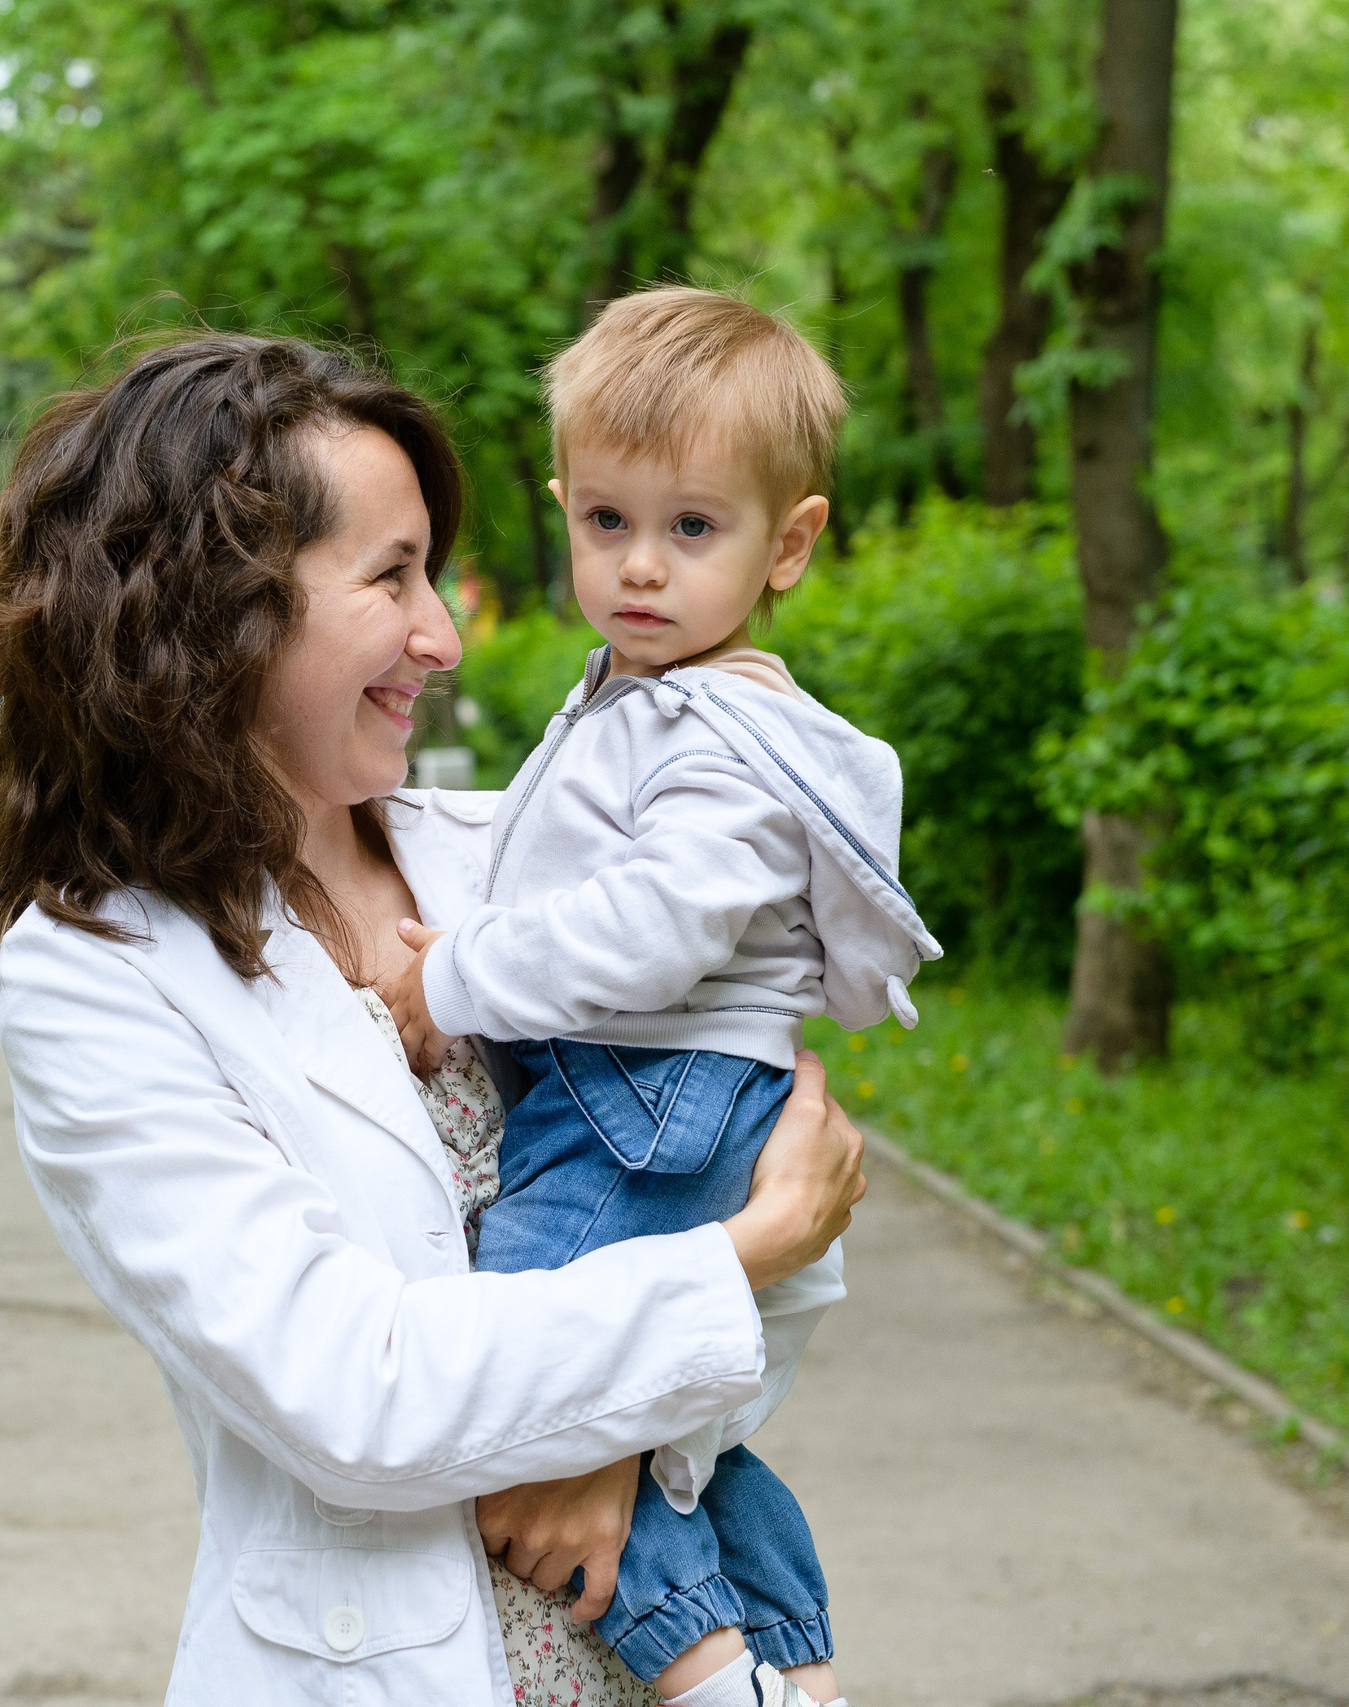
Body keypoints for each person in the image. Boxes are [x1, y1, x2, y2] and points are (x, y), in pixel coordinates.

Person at [0, 331, 870, 1706]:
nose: (442, 634)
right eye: (391, 577)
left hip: (661, 1654)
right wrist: (729, 1271)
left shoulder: (518, 864)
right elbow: (354, 1392)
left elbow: (782, 1205)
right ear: (215, 614)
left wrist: (623, 1449)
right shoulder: (96, 974)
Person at [381, 288, 943, 1707]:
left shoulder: (718, 733)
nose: (642, 568)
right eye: (607, 522)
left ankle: (704, 1675)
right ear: (563, 506)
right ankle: (794, 1669)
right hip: (650, 1089)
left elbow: (646, 936)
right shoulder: (656, 697)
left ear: (789, 544)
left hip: (643, 1093)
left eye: (693, 529)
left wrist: (447, 977)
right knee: (683, 1436)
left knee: (523, 1396)